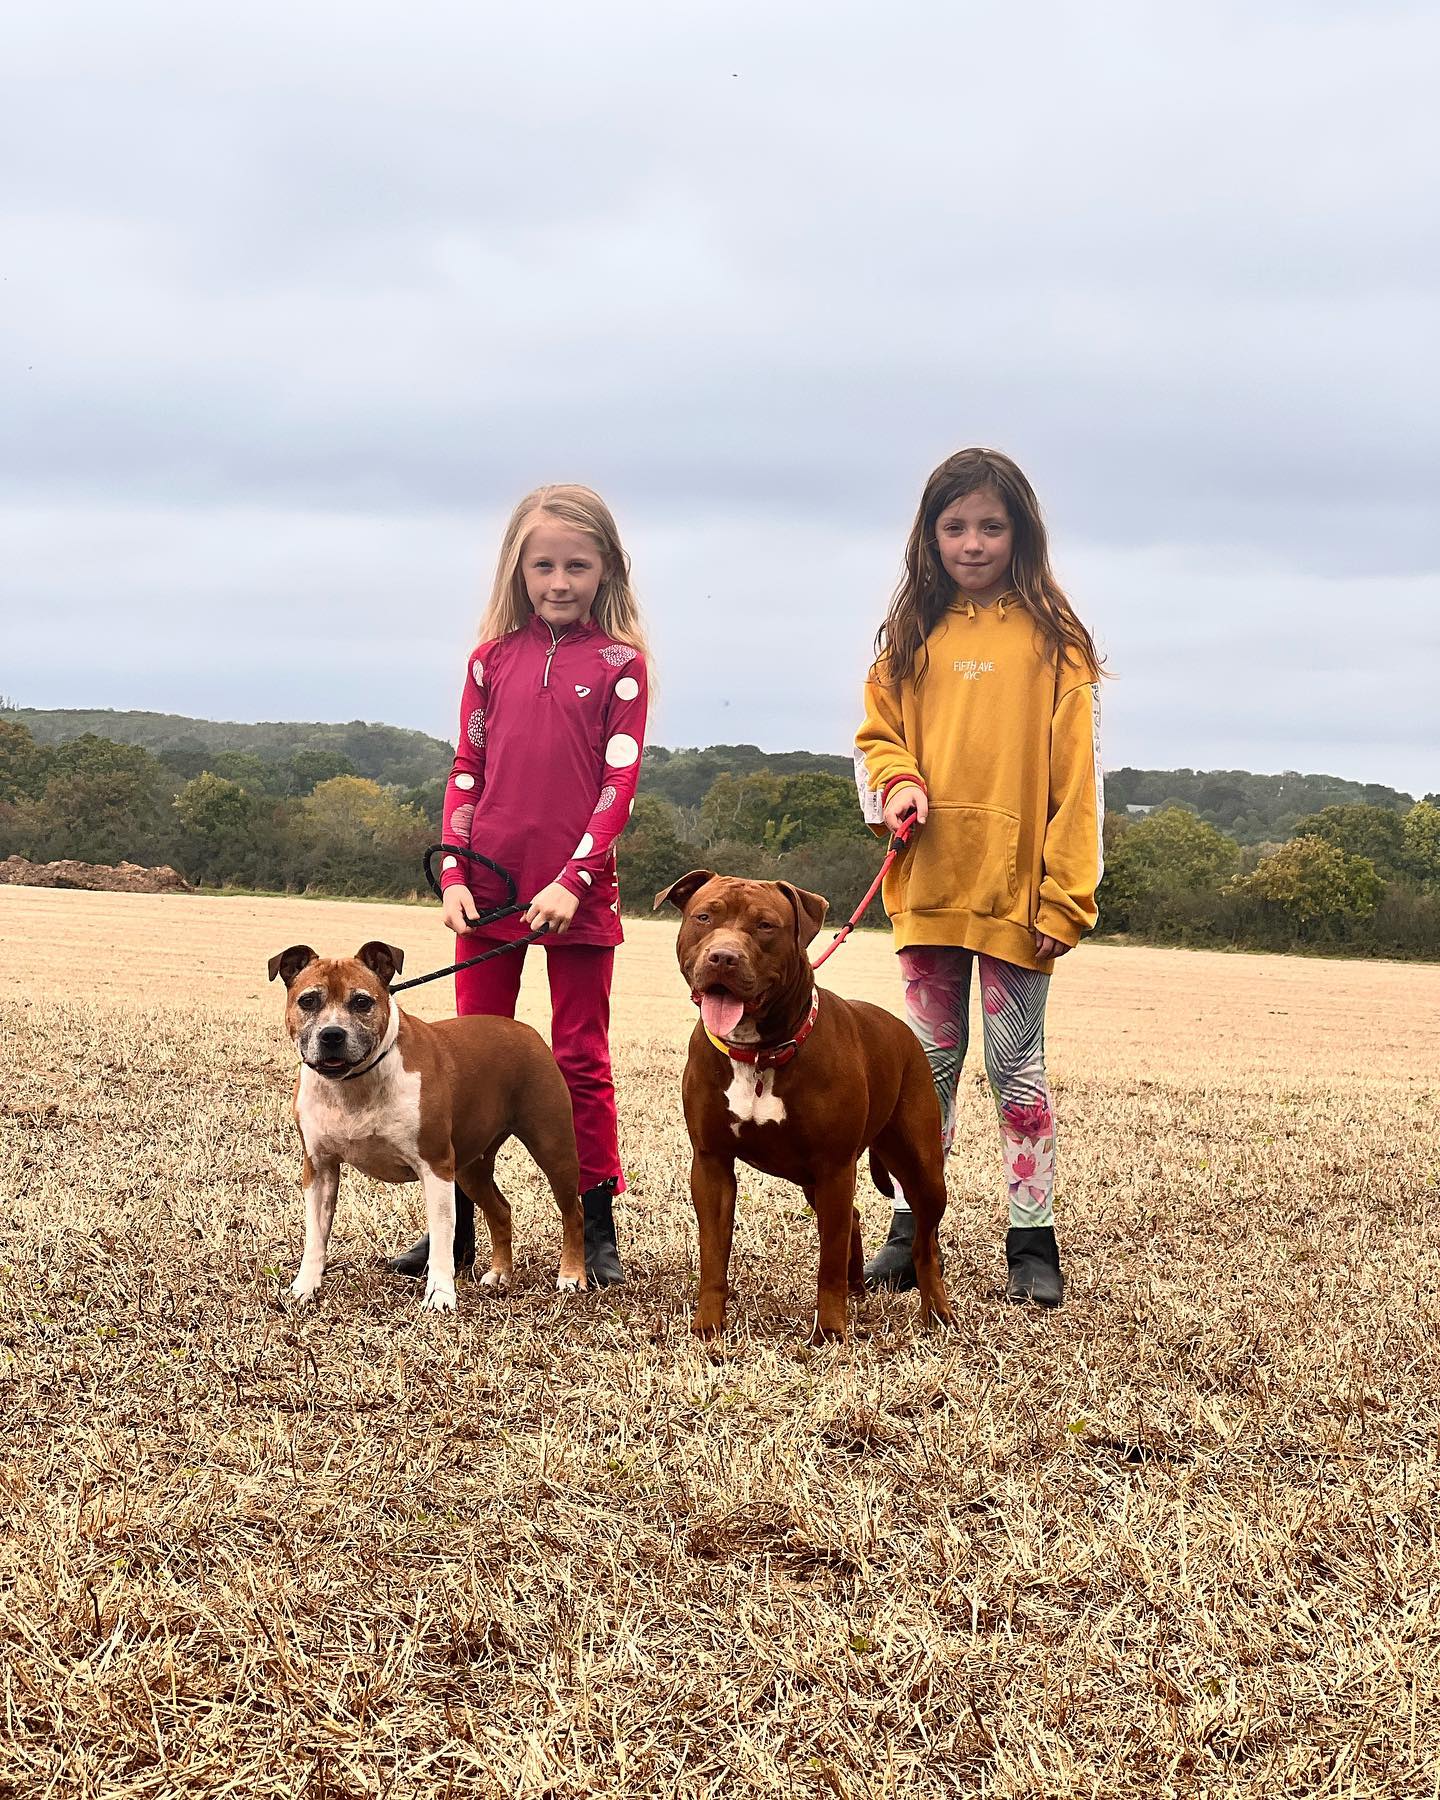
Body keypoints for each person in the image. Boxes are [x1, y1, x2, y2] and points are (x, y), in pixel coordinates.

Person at [854, 448, 1104, 1308]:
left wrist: (1065, 896)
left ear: (1020, 533)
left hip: (1016, 898)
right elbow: (875, 738)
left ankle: (1032, 1240)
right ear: (929, 535)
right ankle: (909, 1230)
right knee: (926, 1068)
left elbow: (1078, 784)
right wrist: (898, 782)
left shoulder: (1056, 644)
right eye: (954, 526)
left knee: (1016, 1068)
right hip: (928, 888)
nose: (972, 543)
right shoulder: (907, 640)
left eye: (991, 526)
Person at [388, 484, 650, 1288]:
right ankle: (457, 1228)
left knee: (578, 1057)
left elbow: (619, 785)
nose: (560, 582)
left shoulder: (622, 667)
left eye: (577, 566)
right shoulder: (489, 661)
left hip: (577, 896)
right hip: (490, 891)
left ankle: (594, 1225)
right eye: (544, 566)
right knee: (468, 1058)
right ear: (518, 569)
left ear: (606, 569)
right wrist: (454, 874)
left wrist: (575, 879)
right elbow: (467, 769)